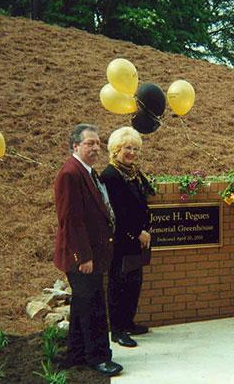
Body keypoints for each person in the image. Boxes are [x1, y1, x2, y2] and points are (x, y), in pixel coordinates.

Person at [53, 123, 123, 376]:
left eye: (98, 143)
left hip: (93, 254)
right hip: (82, 257)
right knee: (93, 306)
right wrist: (83, 257)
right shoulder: (70, 174)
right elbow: (70, 220)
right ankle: (99, 358)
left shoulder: (88, 172)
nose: (96, 147)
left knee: (82, 304)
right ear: (75, 146)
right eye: (89, 143)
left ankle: (77, 353)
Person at [100, 126, 154, 348]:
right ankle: (118, 330)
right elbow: (117, 212)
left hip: (137, 241)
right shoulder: (111, 175)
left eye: (134, 148)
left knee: (134, 282)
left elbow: (145, 198)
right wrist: (137, 233)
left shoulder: (133, 172)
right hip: (121, 241)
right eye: (126, 148)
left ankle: (129, 323)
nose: (131, 152)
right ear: (116, 150)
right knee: (119, 285)